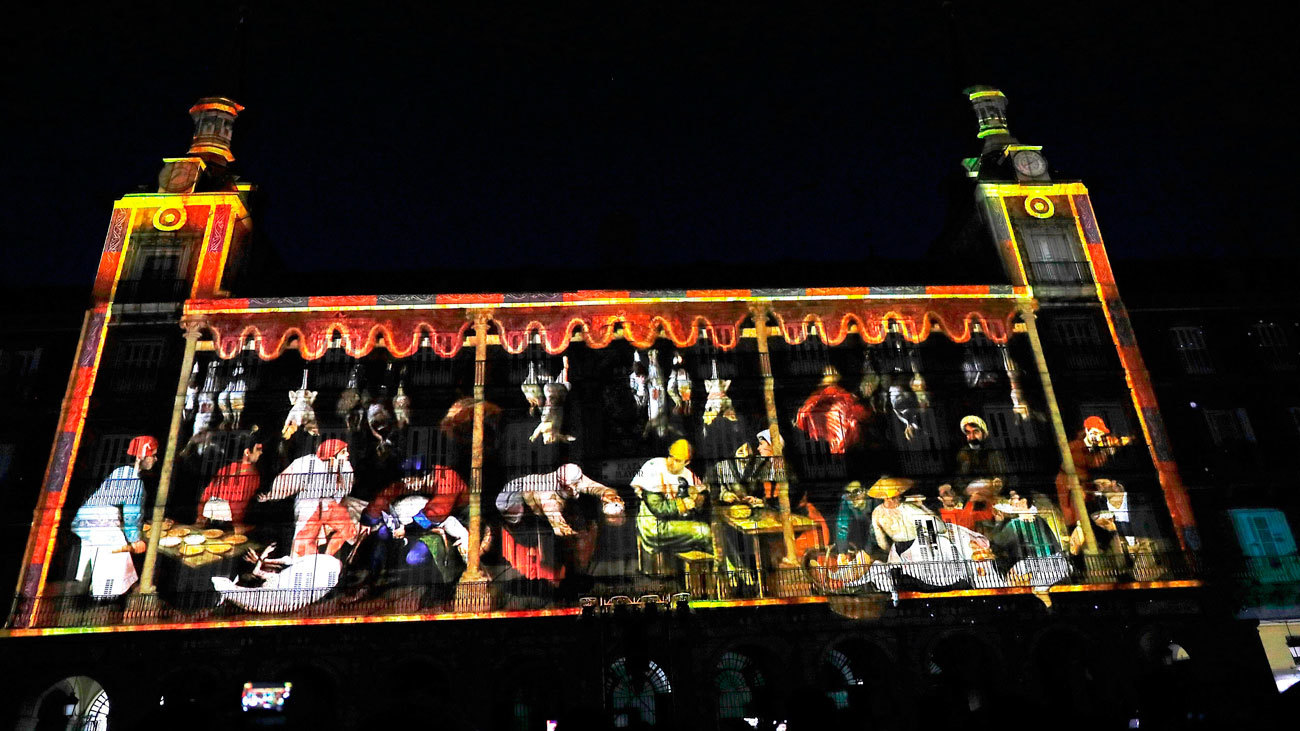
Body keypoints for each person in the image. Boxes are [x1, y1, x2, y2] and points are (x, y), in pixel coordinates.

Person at [497, 463, 624, 583]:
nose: (576, 489)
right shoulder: (548, 499)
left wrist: (611, 499)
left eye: (576, 485)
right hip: (513, 496)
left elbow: (599, 489)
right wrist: (579, 536)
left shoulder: (574, 479)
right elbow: (561, 529)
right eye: (571, 487)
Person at [71, 435, 157, 597]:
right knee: (116, 563)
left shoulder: (121, 471)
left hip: (86, 517)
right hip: (102, 523)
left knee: (92, 558)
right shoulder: (134, 480)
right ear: (142, 456)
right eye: (153, 455)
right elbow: (132, 513)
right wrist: (135, 539)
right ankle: (105, 598)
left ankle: (88, 590)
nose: (155, 459)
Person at [259, 439, 360, 558]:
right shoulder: (308, 464)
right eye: (343, 452)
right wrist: (272, 495)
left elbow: (344, 491)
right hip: (308, 506)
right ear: (332, 455)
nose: (347, 455)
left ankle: (328, 557)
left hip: (329, 505)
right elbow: (286, 483)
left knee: (349, 528)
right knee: (303, 544)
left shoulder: (345, 467)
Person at [631, 439, 713, 558]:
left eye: (677, 460)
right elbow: (658, 508)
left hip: (676, 521)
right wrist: (683, 504)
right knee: (704, 531)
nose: (671, 462)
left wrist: (699, 499)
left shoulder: (688, 475)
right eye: (670, 456)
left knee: (716, 531)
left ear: (687, 462)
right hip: (655, 527)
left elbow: (701, 492)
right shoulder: (653, 467)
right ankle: (726, 569)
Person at [195, 431, 266, 535]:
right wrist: (237, 526)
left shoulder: (227, 468)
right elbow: (239, 503)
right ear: (247, 452)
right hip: (230, 526)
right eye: (257, 449)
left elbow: (206, 494)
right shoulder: (252, 474)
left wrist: (200, 517)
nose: (261, 452)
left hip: (207, 519)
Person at [955, 415, 1008, 491]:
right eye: (968, 433)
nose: (972, 437)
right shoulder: (963, 454)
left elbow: (1001, 478)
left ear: (984, 434)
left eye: (975, 432)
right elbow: (959, 480)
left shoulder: (993, 453)